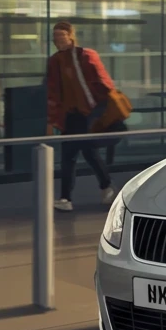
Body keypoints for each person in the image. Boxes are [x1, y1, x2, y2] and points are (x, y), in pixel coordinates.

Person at [45, 22, 117, 212]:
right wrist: (52, 120)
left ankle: (73, 196)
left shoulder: (85, 55)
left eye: (61, 35)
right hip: (70, 114)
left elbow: (104, 83)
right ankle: (98, 189)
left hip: (89, 113)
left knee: (81, 153)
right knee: (75, 154)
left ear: (71, 36)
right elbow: (53, 92)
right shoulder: (55, 61)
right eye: (55, 36)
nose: (58, 40)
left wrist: (101, 108)